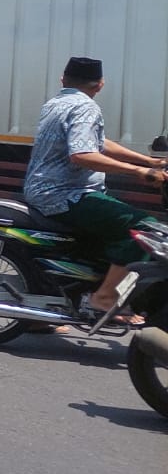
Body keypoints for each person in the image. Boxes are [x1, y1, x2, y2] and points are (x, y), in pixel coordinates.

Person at [23, 56, 168, 323]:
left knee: (115, 222)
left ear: (63, 79)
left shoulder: (56, 102)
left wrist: (148, 161)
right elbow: (82, 154)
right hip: (66, 195)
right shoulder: (85, 107)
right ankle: (104, 297)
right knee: (144, 227)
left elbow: (98, 142)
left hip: (45, 190)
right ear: (100, 85)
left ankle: (83, 288)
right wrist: (139, 172)